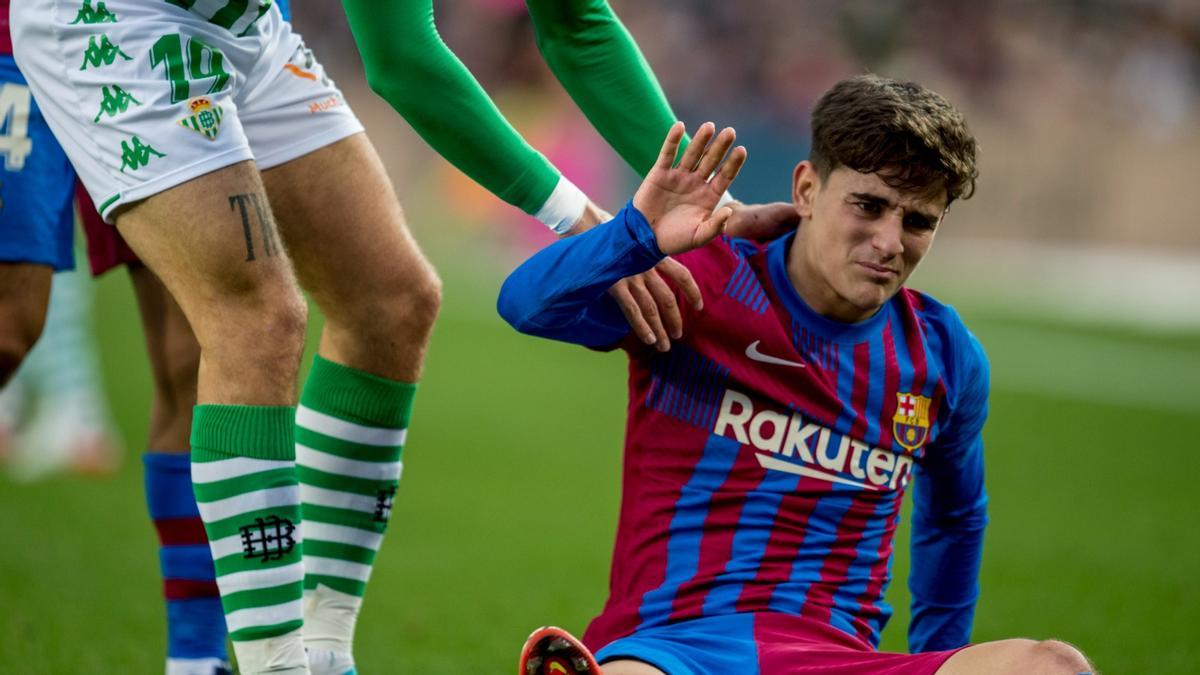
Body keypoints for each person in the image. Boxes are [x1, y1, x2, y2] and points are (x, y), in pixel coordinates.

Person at [499, 79, 1096, 674]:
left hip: (834, 660)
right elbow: (525, 304)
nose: (889, 242)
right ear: (807, 188)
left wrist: (940, 658)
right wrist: (635, 235)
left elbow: (955, 518)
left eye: (918, 221)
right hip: (672, 649)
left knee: (1055, 667)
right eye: (868, 205)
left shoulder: (943, 356)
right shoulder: (700, 284)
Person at [0, 3, 229, 672]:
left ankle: (194, 658)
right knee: (10, 329)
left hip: (142, 49)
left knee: (194, 353)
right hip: (21, 36)